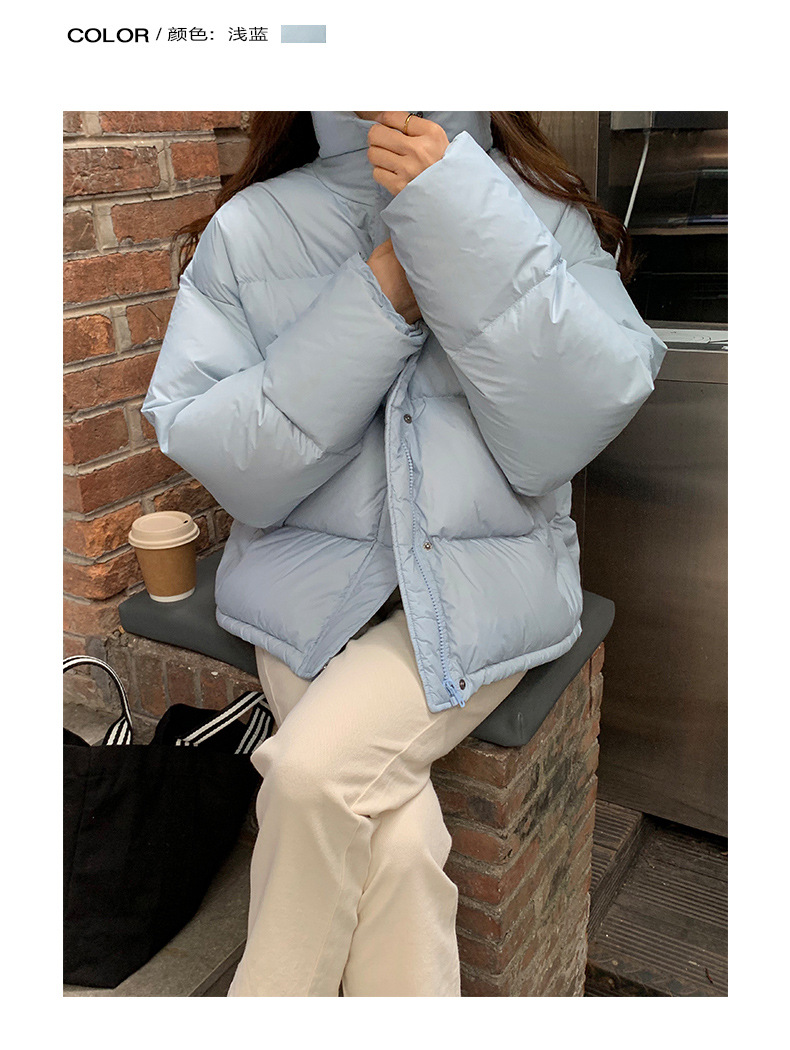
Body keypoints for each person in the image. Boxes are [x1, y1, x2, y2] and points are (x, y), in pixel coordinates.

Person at [142, 111, 667, 996]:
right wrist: (380, 297)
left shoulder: (539, 209)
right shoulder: (253, 226)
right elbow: (233, 464)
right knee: (400, 844)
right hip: (305, 592)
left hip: (485, 586)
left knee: (313, 776)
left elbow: (572, 427)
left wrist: (457, 224)